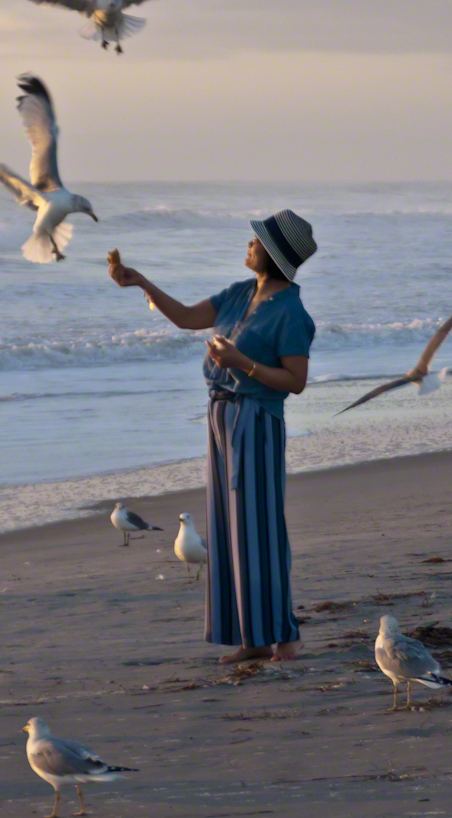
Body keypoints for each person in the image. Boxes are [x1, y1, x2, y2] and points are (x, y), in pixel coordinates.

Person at [110, 210, 316, 662]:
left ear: (275, 254)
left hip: (257, 421)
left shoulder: (292, 313)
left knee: (259, 529)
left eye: (256, 242)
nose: (248, 247)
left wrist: (241, 363)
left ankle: (285, 634)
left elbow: (295, 380)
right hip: (221, 419)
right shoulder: (242, 292)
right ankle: (253, 638)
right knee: (229, 528)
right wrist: (141, 282)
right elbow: (186, 317)